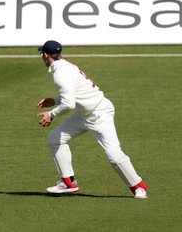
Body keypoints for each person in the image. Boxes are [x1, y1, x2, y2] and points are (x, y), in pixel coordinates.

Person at [36, 40, 147, 198]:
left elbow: (69, 103)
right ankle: (68, 183)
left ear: (46, 55)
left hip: (99, 114)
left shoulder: (60, 73)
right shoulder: (66, 65)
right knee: (55, 138)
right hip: (84, 114)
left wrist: (51, 114)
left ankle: (138, 187)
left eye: (42, 54)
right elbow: (76, 92)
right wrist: (54, 100)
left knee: (114, 156)